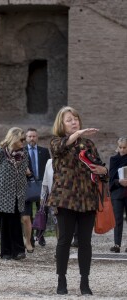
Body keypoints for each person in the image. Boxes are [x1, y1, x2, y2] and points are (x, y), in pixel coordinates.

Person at [47, 106, 108, 295]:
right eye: (69, 120)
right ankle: (61, 280)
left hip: (87, 199)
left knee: (85, 242)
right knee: (64, 240)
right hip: (65, 199)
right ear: (61, 124)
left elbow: (100, 167)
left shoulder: (88, 144)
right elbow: (61, 147)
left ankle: (85, 282)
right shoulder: (56, 142)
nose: (74, 122)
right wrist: (78, 133)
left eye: (76, 119)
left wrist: (103, 171)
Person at [0, 127, 29, 260]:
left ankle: (19, 251)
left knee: (15, 220)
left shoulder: (24, 153)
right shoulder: (0, 151)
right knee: (5, 222)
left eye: (24, 139)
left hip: (17, 193)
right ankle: (6, 252)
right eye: (21, 139)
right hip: (2, 194)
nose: (23, 142)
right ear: (13, 138)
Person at [22, 128, 50, 248]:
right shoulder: (21, 151)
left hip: (42, 184)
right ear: (26, 138)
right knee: (28, 213)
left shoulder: (44, 151)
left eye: (34, 136)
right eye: (29, 136)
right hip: (27, 185)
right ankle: (30, 237)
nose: (32, 138)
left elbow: (49, 166)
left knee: (43, 211)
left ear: (37, 137)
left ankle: (40, 235)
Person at [109, 137, 127, 253]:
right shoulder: (113, 159)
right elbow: (111, 177)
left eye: (124, 147)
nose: (122, 150)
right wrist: (119, 181)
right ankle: (117, 244)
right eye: (120, 147)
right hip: (117, 192)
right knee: (117, 219)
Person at [40, 159, 58, 241]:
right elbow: (45, 182)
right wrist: (42, 197)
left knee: (64, 224)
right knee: (57, 223)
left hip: (66, 198)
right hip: (53, 198)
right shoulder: (49, 162)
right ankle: (60, 246)